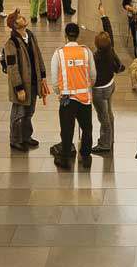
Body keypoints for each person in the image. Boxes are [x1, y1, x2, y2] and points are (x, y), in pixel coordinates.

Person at [50, 22, 96, 169]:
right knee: (87, 129)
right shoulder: (86, 51)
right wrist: (87, 87)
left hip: (67, 98)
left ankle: (64, 159)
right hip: (84, 98)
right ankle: (86, 156)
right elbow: (93, 75)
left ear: (65, 35)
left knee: (67, 129)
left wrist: (59, 92)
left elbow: (54, 79)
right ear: (78, 35)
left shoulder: (59, 53)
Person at [2, 8, 49, 151]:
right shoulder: (11, 43)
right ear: (15, 25)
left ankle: (26, 136)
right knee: (18, 113)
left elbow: (38, 55)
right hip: (22, 85)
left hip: (33, 82)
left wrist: (43, 76)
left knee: (29, 111)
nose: (23, 18)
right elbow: (12, 68)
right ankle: (15, 140)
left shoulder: (30, 35)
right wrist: (19, 88)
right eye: (19, 17)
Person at [91, 2, 124, 154]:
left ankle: (105, 144)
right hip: (110, 85)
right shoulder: (110, 49)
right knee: (109, 113)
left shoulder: (95, 57)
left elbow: (90, 75)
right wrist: (103, 14)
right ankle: (110, 138)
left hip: (99, 90)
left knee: (103, 117)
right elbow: (108, 30)